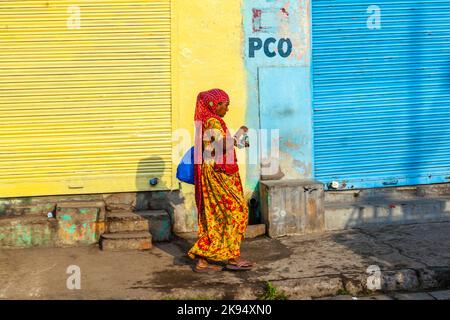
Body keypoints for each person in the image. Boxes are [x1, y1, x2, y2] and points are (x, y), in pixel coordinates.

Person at [187, 89, 256, 272]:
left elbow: (219, 146)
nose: (227, 108)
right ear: (214, 105)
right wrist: (239, 134)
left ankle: (207, 259)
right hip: (217, 175)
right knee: (235, 212)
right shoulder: (211, 122)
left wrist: (238, 142)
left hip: (219, 173)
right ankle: (231, 257)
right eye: (224, 104)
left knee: (218, 215)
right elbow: (219, 146)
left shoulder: (214, 122)